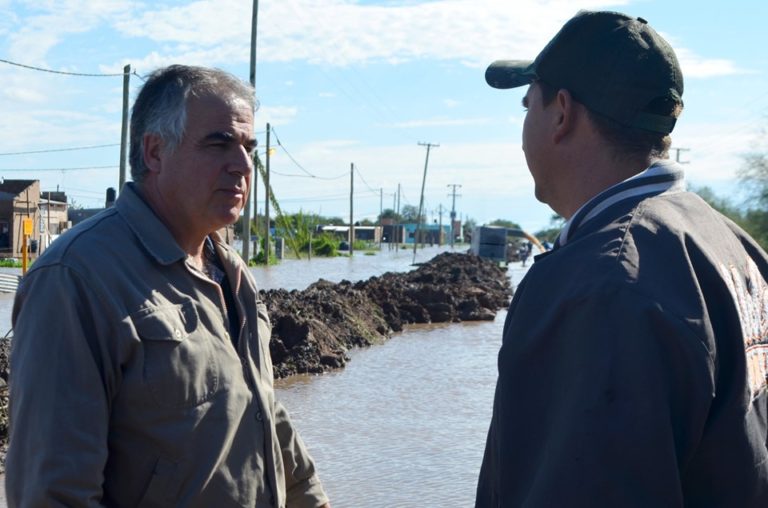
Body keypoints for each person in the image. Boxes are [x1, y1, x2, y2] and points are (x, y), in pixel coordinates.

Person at [477, 10, 768, 506]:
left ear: (562, 113)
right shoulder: (735, 247)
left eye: (528, 105)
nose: (523, 127)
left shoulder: (600, 281)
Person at [7, 65, 331, 508]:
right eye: (219, 143)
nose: (241, 165)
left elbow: (263, 414)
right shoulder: (76, 279)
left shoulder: (232, 273)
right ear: (155, 151)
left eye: (248, 148)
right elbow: (53, 491)